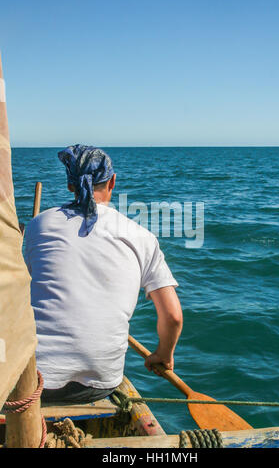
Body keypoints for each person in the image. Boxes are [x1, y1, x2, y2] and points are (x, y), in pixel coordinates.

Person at [24, 144, 183, 405]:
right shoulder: (142, 236)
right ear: (112, 182)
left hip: (36, 380)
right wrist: (163, 355)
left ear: (70, 185)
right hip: (101, 382)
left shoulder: (39, 224)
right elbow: (173, 317)